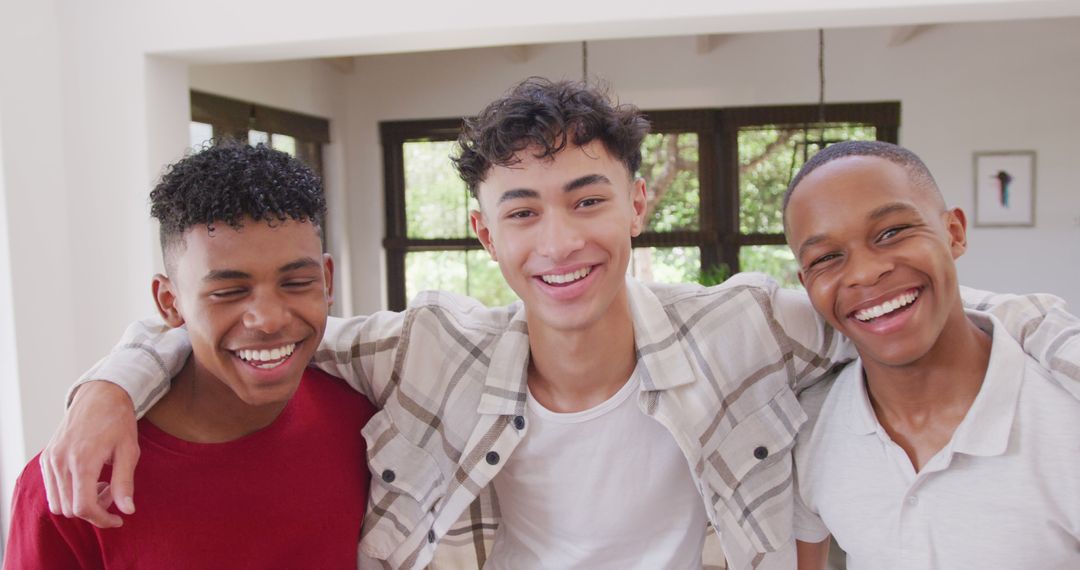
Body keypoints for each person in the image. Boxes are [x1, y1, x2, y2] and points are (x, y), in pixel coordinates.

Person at [37, 79, 1080, 570]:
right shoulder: (428, 350)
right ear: (486, 235)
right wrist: (110, 383)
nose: (559, 242)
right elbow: (263, 328)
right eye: (522, 212)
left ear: (636, 207)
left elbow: (902, 296)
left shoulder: (746, 329)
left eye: (588, 199)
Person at [4, 143, 376, 568]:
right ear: (169, 301)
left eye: (295, 283)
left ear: (326, 281)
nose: (268, 319)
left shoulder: (368, 425)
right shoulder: (73, 481)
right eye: (229, 292)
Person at [784, 141, 1080, 569]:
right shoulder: (808, 427)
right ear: (805, 282)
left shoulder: (1065, 419)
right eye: (827, 257)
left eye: (891, 232)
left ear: (954, 233)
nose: (866, 272)